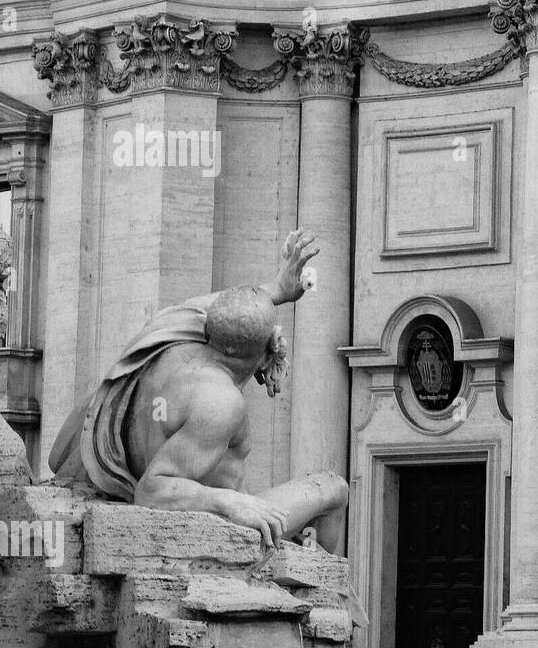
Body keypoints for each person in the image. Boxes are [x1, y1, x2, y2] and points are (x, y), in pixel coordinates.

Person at [48, 230, 347, 552]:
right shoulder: (220, 401)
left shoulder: (172, 326)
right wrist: (229, 502)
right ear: (268, 352)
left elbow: (224, 306)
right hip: (213, 516)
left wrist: (277, 289)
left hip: (141, 476)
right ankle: (313, 587)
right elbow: (151, 491)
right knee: (334, 488)